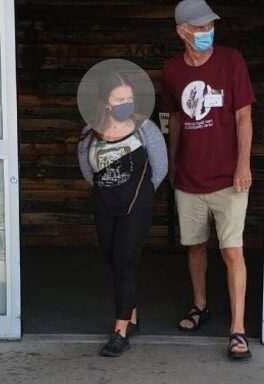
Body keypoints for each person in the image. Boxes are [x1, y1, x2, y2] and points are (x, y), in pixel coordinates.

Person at [161, 0, 256, 360]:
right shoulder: (171, 71)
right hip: (189, 178)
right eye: (198, 28)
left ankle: (238, 330)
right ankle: (200, 306)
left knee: (232, 251)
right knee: (196, 246)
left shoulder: (231, 61)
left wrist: (243, 165)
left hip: (229, 179)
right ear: (181, 31)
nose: (206, 33)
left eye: (209, 26)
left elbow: (244, 117)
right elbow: (177, 120)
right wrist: (171, 166)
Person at [78, 71, 167, 357]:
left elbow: (160, 168)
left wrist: (140, 196)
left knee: (125, 263)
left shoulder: (145, 129)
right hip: (105, 205)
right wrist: (110, 188)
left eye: (129, 98)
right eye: (119, 99)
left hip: (136, 207)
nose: (126, 103)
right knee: (113, 259)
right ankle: (133, 317)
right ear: (106, 102)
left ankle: (120, 332)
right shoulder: (89, 132)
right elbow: (87, 168)